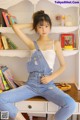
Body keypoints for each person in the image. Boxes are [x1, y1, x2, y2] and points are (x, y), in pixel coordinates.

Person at [0, 10, 76, 120]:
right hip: (31, 85)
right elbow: (15, 27)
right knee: (1, 99)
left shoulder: (55, 44)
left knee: (71, 104)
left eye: (46, 26)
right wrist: (35, 22)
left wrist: (51, 77)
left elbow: (63, 65)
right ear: (36, 28)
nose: (44, 29)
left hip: (48, 85)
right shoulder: (32, 44)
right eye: (40, 26)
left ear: (50, 27)